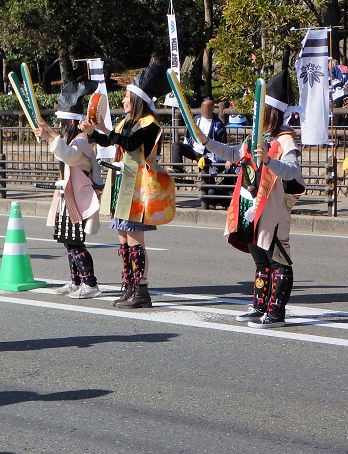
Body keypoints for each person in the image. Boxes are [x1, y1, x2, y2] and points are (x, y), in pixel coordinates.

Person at [190, 70, 304, 328]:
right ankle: (260, 304)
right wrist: (206, 141)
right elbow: (233, 153)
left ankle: (276, 313)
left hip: (273, 210)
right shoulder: (256, 136)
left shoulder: (284, 139)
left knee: (279, 260)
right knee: (260, 259)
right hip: (250, 207)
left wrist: (268, 160)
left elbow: (292, 171)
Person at [82, 64, 172, 309]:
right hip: (123, 186)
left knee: (135, 239)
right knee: (123, 239)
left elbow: (130, 144)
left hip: (139, 187)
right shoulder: (126, 122)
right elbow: (112, 141)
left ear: (137, 99)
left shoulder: (150, 123)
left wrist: (104, 130)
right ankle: (129, 284)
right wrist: (93, 133)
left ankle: (141, 288)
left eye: (126, 97)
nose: (122, 101)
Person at [35, 80, 103, 299]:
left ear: (70, 123)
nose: (60, 126)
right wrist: (49, 137)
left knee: (75, 241)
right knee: (67, 240)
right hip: (68, 195)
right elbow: (62, 151)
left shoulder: (81, 140)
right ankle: (75, 281)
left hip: (78, 196)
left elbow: (70, 156)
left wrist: (51, 136)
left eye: (62, 123)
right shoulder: (70, 139)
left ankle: (90, 283)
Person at [170, 98, 228, 207]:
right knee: (176, 145)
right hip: (194, 149)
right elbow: (188, 136)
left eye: (206, 108)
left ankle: (210, 200)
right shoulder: (196, 120)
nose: (203, 110)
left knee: (207, 178)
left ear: (211, 109)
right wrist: (187, 144)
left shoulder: (218, 124)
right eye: (202, 107)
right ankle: (178, 170)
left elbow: (222, 144)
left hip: (207, 154)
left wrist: (215, 158)